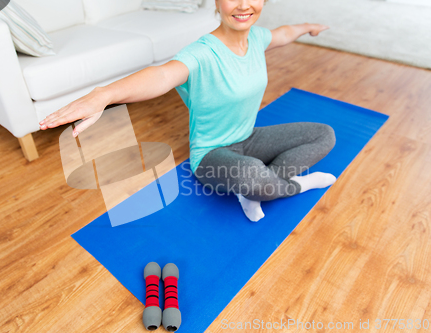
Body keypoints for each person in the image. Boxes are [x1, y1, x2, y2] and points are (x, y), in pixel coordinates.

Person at [39, 0, 336, 222]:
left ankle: (258, 188)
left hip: (249, 138)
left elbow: (283, 33)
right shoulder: (202, 53)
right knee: (250, 173)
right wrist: (103, 95)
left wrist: (308, 27)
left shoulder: (257, 38)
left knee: (324, 135)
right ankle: (294, 186)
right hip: (212, 155)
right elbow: (163, 75)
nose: (244, 5)